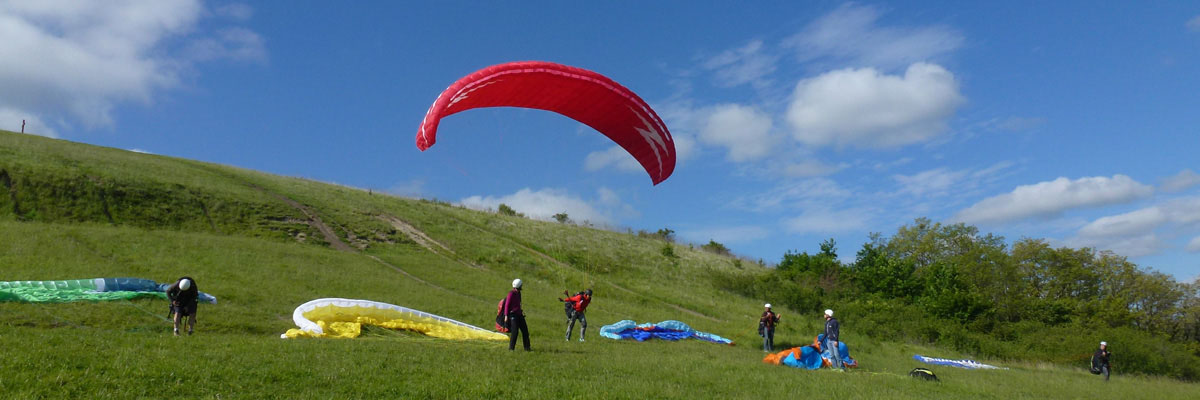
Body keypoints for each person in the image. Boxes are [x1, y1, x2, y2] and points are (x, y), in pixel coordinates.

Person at [503, 278, 530, 351]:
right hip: (513, 315)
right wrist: (506, 316)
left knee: (525, 331)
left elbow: (519, 304)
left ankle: (527, 348)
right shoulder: (511, 294)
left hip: (520, 315)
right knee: (515, 332)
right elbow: (507, 305)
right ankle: (511, 349)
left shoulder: (519, 293)